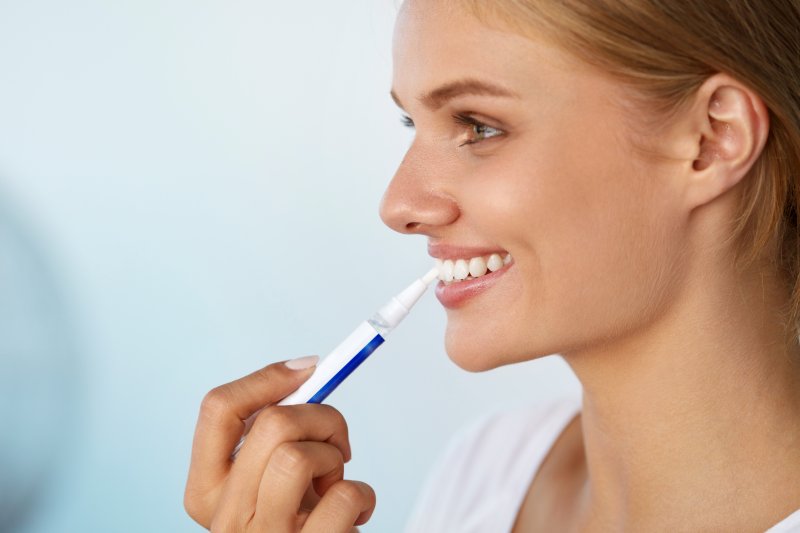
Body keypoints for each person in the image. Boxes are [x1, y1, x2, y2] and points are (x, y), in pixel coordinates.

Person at [184, 0, 800, 530]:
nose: (399, 205)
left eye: (478, 126)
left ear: (713, 138)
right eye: (410, 121)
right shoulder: (483, 475)